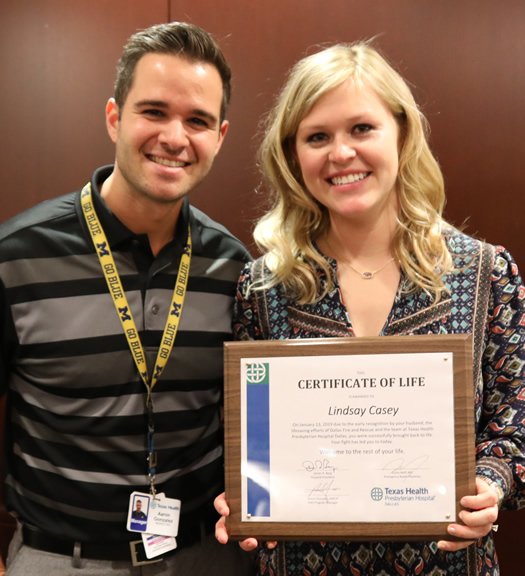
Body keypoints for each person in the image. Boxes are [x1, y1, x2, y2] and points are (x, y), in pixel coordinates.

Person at [214, 42, 525, 576]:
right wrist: (247, 493)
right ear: (294, 156)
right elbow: (252, 434)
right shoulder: (262, 287)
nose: (340, 153)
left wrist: (490, 485)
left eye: (361, 128)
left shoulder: (486, 273)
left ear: (402, 134)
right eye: (317, 137)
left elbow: (516, 418)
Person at [0, 21, 254, 576]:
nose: (174, 137)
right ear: (115, 116)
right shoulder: (15, 257)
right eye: (154, 112)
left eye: (198, 121)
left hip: (204, 558)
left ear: (220, 136)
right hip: (58, 560)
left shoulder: (235, 268)